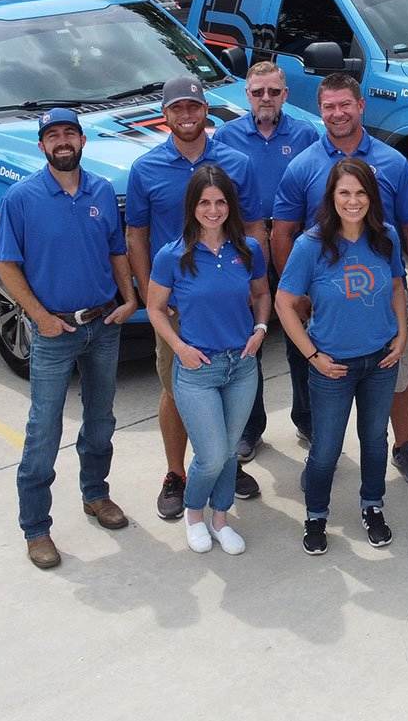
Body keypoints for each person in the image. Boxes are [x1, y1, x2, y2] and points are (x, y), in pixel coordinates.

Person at [272, 73, 408, 486]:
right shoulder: (302, 165)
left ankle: (402, 444)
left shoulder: (393, 162)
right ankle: (324, 451)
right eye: (329, 106)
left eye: (346, 104)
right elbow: (282, 232)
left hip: (383, 294)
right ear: (320, 110)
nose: (338, 113)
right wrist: (300, 291)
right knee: (326, 378)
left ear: (361, 106)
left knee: (396, 373)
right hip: (327, 300)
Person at [0, 108, 138, 569]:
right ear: (41, 145)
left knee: (100, 422)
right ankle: (36, 528)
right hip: (55, 332)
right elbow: (6, 265)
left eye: (69, 134)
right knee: (43, 431)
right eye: (52, 135)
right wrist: (40, 318)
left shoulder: (99, 191)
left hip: (103, 325)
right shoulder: (21, 198)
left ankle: (95, 495)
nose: (62, 142)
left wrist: (129, 299)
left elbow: (118, 250)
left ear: (82, 141)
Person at [126, 75, 267, 519]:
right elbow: (136, 235)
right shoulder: (145, 169)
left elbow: (253, 229)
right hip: (178, 304)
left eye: (193, 107)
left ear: (205, 110)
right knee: (174, 388)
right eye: (177, 109)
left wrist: (247, 289)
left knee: (231, 386)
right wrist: (156, 297)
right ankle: (177, 474)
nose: (186, 116)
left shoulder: (236, 163)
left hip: (226, 299)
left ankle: (222, 464)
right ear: (165, 115)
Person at [276, 158, 408, 555]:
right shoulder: (311, 245)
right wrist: (312, 355)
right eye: (344, 193)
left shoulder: (385, 236)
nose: (353, 201)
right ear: (331, 197)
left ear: (372, 197)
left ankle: (372, 505)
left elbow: (398, 286)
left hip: (380, 360)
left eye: (361, 193)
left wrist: (402, 335)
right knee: (326, 448)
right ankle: (316, 514)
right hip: (332, 366)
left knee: (374, 441)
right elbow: (284, 303)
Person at [146, 166, 270, 555]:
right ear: (192, 206)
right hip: (198, 370)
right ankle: (194, 513)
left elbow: (263, 294)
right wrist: (179, 347)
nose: (213, 210)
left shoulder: (247, 250)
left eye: (220, 202)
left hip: (241, 367)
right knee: (212, 453)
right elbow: (155, 308)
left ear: (230, 206)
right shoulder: (173, 255)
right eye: (204, 203)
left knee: (230, 450)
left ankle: (220, 518)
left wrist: (261, 329)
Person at [217, 62, 319, 462]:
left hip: (294, 246)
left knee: (301, 334)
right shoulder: (225, 138)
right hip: (245, 250)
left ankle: (307, 418)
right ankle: (249, 427)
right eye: (258, 92)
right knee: (250, 342)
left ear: (285, 95)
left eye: (273, 92)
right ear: (247, 94)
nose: (265, 99)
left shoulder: (307, 134)